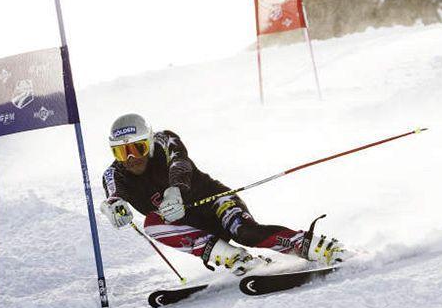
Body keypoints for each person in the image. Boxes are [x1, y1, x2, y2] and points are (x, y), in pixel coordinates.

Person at [98, 113, 345, 275]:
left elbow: (180, 163)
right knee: (152, 225)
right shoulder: (115, 174)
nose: (131, 158)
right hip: (191, 225)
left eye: (137, 148)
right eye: (121, 152)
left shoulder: (165, 140)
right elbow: (112, 197)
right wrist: (113, 207)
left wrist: (177, 190)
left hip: (216, 202)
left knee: (245, 232)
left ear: (149, 142)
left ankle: (319, 247)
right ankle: (237, 259)